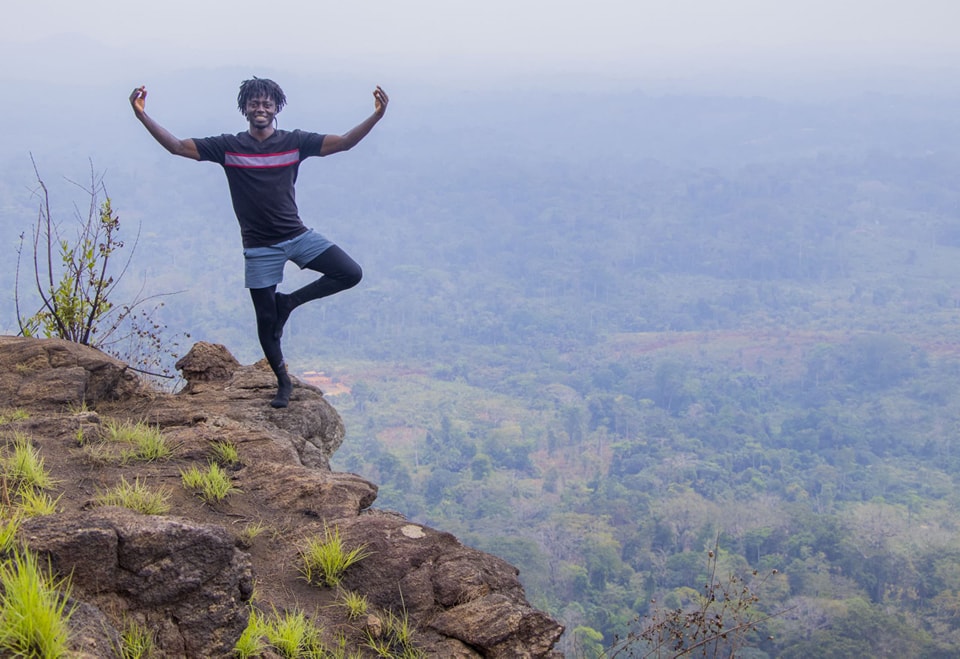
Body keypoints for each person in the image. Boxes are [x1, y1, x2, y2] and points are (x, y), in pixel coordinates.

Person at [129, 77, 388, 408]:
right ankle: (282, 383)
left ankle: (289, 303)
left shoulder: (295, 142)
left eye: (267, 103)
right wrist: (141, 115)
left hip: (297, 235)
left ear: (276, 107)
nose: (261, 108)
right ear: (245, 109)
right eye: (254, 103)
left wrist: (376, 116)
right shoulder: (228, 146)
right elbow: (178, 147)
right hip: (259, 247)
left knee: (350, 273)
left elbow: (345, 143)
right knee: (266, 323)